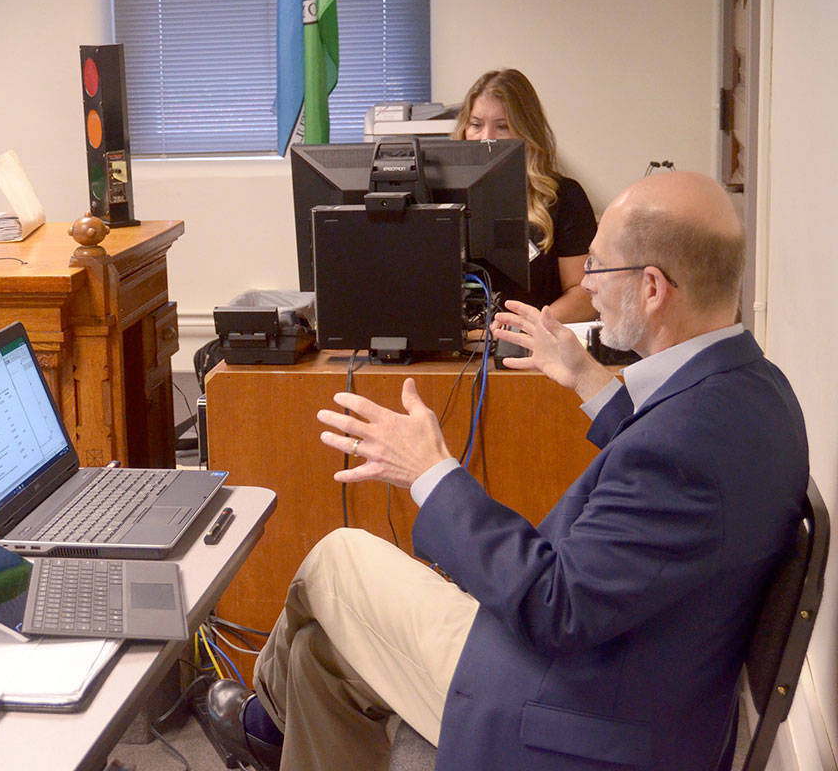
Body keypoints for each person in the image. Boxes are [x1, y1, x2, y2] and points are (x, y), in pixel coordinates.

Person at [205, 171, 809, 771]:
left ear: (652, 288)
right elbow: (663, 493)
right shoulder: (753, 390)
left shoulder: (687, 447)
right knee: (319, 655)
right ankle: (270, 728)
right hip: (623, 675)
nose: (588, 286)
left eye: (597, 268)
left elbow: (555, 606)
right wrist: (588, 380)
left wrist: (431, 471)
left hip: (569, 717)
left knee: (336, 557)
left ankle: (265, 717)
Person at [454, 68, 597, 322]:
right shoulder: (443, 198)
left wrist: (519, 328)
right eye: (476, 125)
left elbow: (584, 296)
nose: (486, 139)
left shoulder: (564, 197)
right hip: (458, 349)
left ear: (526, 132)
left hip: (534, 343)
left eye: (503, 127)